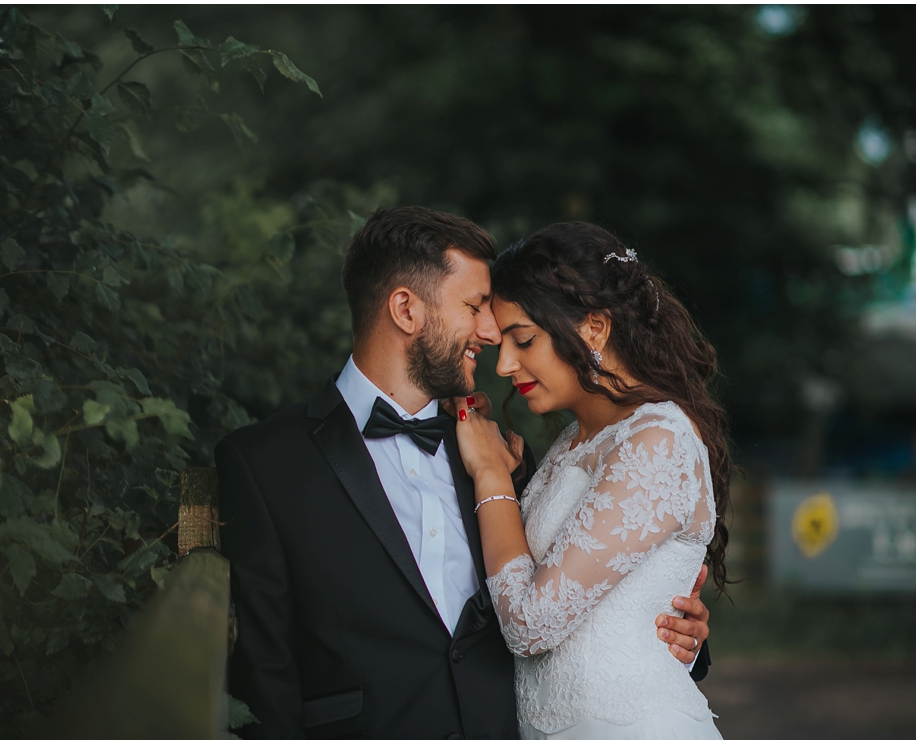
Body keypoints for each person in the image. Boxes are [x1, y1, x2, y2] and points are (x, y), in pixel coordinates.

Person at [216, 207, 711, 739]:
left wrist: (689, 634)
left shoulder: (500, 455)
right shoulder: (265, 464)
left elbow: (599, 580)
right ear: (406, 309)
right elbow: (266, 674)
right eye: (475, 305)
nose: (491, 332)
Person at [451, 221, 729, 739]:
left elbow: (531, 623)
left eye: (524, 340)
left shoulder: (658, 439)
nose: (506, 365)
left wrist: (490, 477)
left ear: (595, 329)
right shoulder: (573, 443)